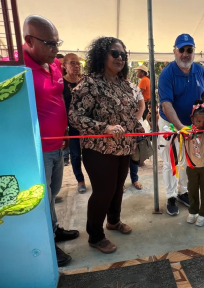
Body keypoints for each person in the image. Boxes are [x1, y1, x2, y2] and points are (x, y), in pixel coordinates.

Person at [69, 36, 144, 254]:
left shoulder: (124, 84)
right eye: (115, 53)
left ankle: (113, 221)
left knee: (117, 188)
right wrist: (105, 128)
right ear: (102, 55)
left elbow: (129, 113)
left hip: (124, 147)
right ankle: (95, 235)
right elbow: (74, 117)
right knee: (103, 191)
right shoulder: (90, 83)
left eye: (123, 54)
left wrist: (136, 125)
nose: (120, 58)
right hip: (99, 150)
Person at [22, 15, 79, 267]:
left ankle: (54, 229)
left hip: (58, 143)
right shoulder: (16, 65)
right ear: (29, 40)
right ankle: (47, 243)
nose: (56, 50)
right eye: (49, 44)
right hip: (38, 148)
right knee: (43, 197)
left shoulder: (53, 64)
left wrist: (65, 132)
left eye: (57, 43)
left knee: (53, 192)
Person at [158, 33, 204, 216]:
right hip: (170, 125)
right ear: (175, 51)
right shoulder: (167, 74)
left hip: (191, 125)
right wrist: (180, 127)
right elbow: (166, 104)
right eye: (182, 50)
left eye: (189, 50)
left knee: (189, 160)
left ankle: (182, 191)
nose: (185, 54)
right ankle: (170, 195)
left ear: (193, 52)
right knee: (170, 161)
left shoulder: (199, 70)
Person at [185, 100, 204, 227]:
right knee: (192, 189)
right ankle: (193, 211)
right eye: (198, 121)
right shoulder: (187, 132)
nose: (201, 124)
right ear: (192, 119)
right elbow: (183, 139)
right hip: (191, 166)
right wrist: (190, 133)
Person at [62, 53, 86, 193]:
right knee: (75, 154)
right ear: (64, 65)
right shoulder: (61, 83)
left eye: (78, 63)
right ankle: (80, 181)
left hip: (87, 124)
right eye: (72, 63)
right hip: (71, 125)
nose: (76, 66)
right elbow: (61, 105)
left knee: (89, 154)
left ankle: (94, 178)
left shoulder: (85, 80)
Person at [128, 82, 146, 190]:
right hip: (118, 128)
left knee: (135, 155)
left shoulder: (134, 87)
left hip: (134, 127)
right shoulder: (109, 85)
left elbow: (142, 105)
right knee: (121, 158)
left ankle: (134, 179)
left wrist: (135, 121)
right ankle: (120, 183)